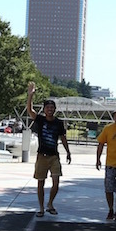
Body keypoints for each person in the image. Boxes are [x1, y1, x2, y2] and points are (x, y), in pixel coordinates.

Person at [26, 81, 72, 216]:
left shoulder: (58, 123)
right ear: (44, 109)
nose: (50, 109)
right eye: (47, 107)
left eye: (52, 107)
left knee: (56, 182)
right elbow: (30, 110)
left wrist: (68, 152)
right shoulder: (40, 120)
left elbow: (63, 138)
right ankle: (41, 208)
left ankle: (50, 203)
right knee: (40, 183)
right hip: (42, 156)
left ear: (54, 109)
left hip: (54, 156)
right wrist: (30, 96)